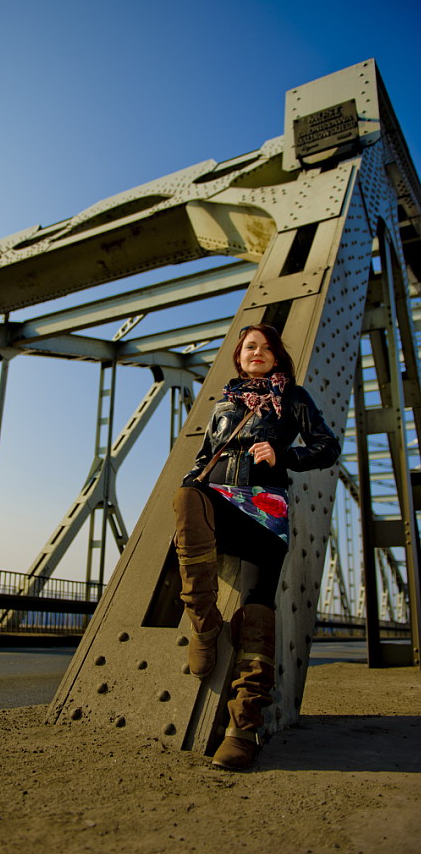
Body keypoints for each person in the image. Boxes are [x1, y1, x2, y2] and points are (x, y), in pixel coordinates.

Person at [173, 324, 340, 770]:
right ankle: (205, 625)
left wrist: (285, 456)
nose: (258, 352)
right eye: (250, 346)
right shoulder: (225, 403)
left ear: (277, 356)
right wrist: (195, 482)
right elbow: (204, 456)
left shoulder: (293, 398)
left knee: (257, 609)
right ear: (239, 355)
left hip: (265, 510)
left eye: (267, 348)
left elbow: (328, 447)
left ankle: (243, 728)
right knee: (186, 498)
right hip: (221, 502)